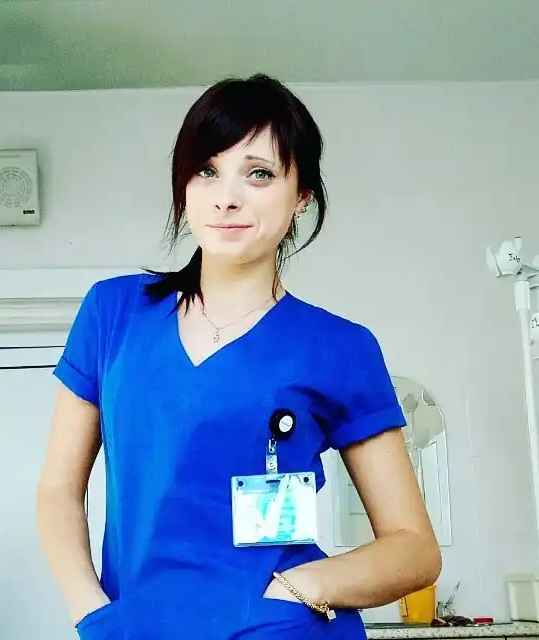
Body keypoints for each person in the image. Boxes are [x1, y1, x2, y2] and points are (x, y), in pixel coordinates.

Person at [36, 73, 441, 640]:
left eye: (259, 173)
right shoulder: (114, 313)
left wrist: (302, 587)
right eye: (207, 170)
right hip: (135, 628)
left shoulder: (340, 347)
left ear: (302, 195)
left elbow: (415, 548)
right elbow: (58, 490)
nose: (226, 197)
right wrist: (91, 611)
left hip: (281, 629)